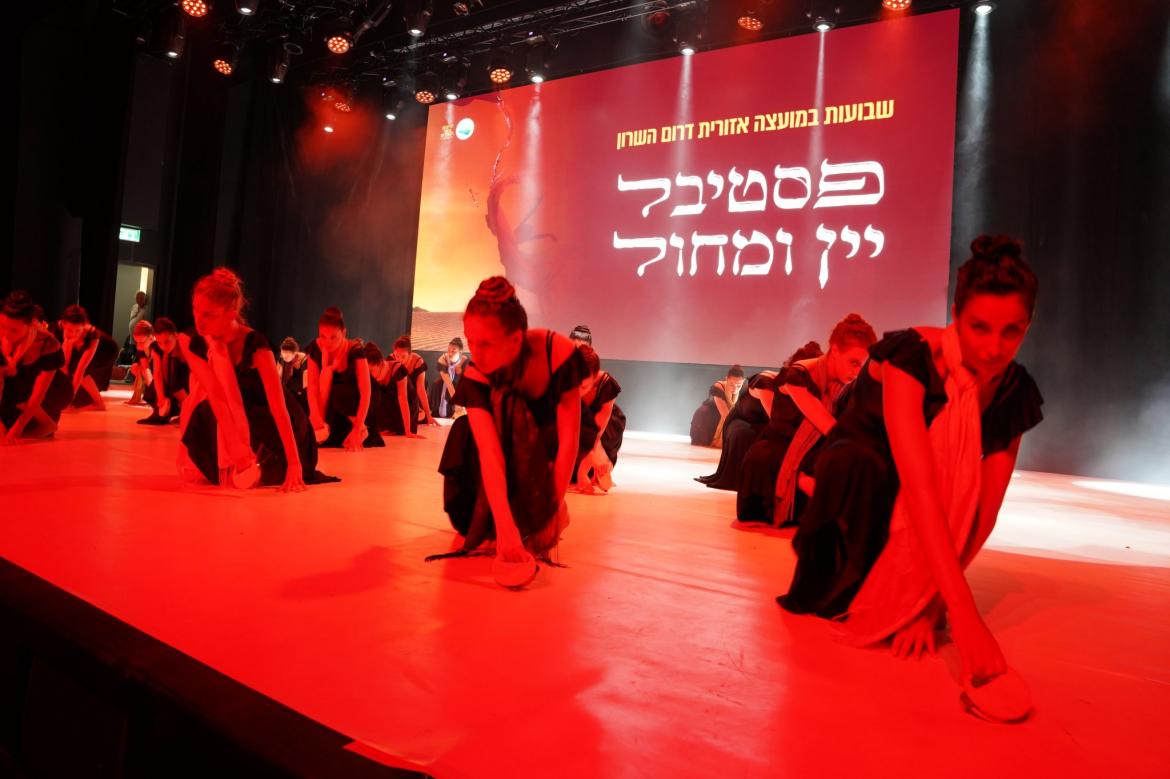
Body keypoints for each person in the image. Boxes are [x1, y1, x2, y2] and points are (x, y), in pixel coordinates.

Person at [779, 235, 1044, 686]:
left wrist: (932, 606)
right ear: (955, 315)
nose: (993, 348)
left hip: (912, 484)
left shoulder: (1013, 391)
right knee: (866, 474)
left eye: (1011, 331)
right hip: (862, 469)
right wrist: (966, 619)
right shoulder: (914, 356)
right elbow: (919, 490)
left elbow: (982, 510)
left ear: (1028, 326)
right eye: (979, 327)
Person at [435, 276, 587, 570]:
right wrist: (505, 528)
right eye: (470, 341)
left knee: (542, 532)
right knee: (474, 527)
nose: (475, 353)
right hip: (490, 460)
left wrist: (551, 509)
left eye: (486, 344)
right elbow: (490, 454)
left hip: (543, 457)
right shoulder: (477, 373)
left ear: (516, 338)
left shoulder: (556, 352)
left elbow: (569, 440)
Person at [178, 268, 335, 489]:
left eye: (209, 314)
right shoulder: (195, 343)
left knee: (246, 420)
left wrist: (294, 462)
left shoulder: (255, 345)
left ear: (231, 312)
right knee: (204, 412)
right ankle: (240, 464)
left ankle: (265, 464)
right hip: (238, 417)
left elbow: (278, 405)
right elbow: (216, 395)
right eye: (196, 309)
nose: (199, 320)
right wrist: (236, 450)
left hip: (272, 419)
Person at [737, 317, 877, 525]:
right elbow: (830, 428)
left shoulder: (844, 384)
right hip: (777, 457)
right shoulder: (798, 377)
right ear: (835, 350)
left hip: (812, 453)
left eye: (862, 366)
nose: (857, 372)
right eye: (854, 362)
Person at [698, 342, 824, 491]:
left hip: (761, 421)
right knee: (751, 436)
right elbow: (775, 418)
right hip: (743, 419)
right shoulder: (766, 382)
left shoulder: (800, 388)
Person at [0, 292, 73, 442]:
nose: (6, 333)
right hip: (18, 386)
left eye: (14, 330)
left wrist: (17, 429)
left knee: (16, 424)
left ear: (31, 325)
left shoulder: (47, 344)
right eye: (2, 326)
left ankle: (47, 423)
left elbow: (37, 395)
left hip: (50, 392)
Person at [306, 307, 382, 450]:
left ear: (344, 333)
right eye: (323, 336)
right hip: (334, 397)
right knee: (306, 401)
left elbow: (366, 393)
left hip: (361, 396)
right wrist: (315, 416)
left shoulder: (355, 350)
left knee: (338, 392)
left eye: (333, 337)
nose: (327, 342)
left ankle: (362, 429)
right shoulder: (315, 348)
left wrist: (357, 429)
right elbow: (312, 386)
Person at [571, 345, 626, 493]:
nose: (578, 391)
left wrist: (583, 471)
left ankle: (593, 469)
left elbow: (595, 436)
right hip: (578, 424)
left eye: (583, 386)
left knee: (598, 468)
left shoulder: (607, 385)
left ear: (595, 376)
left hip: (602, 430)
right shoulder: (566, 381)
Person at [54, 305, 119, 411]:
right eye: (69, 330)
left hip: (107, 351)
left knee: (78, 370)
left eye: (77, 330)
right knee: (68, 368)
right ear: (63, 324)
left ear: (84, 326)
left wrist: (68, 400)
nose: (73, 334)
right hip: (83, 348)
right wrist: (67, 341)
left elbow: (81, 369)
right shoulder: (56, 328)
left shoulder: (92, 335)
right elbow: (64, 364)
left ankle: (99, 404)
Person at [138, 317, 189, 425]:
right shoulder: (157, 349)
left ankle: (187, 411)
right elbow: (157, 374)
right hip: (169, 380)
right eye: (160, 342)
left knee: (176, 380)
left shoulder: (185, 343)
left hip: (185, 379)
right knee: (154, 388)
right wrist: (161, 398)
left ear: (176, 335)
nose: (164, 346)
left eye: (167, 341)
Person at [370, 341, 423, 439]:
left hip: (407, 405)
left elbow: (403, 400)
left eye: (371, 370)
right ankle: (386, 426)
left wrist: (408, 431)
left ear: (380, 364)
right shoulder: (372, 373)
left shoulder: (397, 369)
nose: (370, 374)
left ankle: (397, 427)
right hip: (390, 406)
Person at [689, 365, 745, 447]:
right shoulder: (718, 387)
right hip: (707, 418)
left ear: (743, 381)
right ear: (726, 379)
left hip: (723, 418)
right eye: (731, 384)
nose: (735, 388)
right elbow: (726, 415)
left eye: (739, 385)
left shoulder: (744, 389)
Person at [390, 335, 439, 430]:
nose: (399, 360)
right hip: (396, 397)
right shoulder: (391, 360)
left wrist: (428, 415)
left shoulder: (418, 361)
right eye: (397, 356)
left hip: (413, 397)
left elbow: (421, 390)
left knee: (421, 417)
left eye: (403, 357)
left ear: (410, 354)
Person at [428, 337, 466, 419]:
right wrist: (457, 404)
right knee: (436, 385)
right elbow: (448, 384)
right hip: (444, 384)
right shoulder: (442, 359)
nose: (450, 353)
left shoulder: (464, 361)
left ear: (460, 352)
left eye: (453, 351)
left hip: (458, 385)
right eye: (448, 350)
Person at [126, 320, 155, 406]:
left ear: (151, 338)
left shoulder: (157, 346)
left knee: (143, 370)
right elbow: (145, 366)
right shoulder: (141, 347)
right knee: (135, 367)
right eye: (137, 342)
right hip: (151, 371)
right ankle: (145, 393)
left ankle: (154, 394)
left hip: (161, 372)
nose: (139, 345)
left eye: (142, 342)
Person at [278, 337, 309, 412]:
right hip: (287, 393)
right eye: (282, 355)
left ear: (295, 353)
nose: (284, 358)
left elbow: (306, 385)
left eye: (287, 356)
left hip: (300, 395)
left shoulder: (305, 360)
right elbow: (277, 378)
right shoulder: (282, 359)